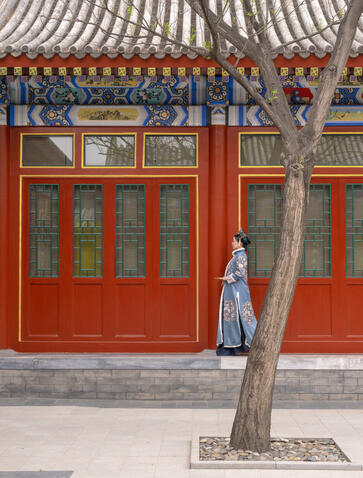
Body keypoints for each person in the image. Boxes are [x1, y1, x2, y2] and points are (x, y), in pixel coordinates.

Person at [216, 228, 257, 356]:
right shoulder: (238, 256)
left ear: (240, 243)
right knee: (235, 317)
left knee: (243, 317)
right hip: (234, 291)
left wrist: (226, 278)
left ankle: (252, 344)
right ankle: (235, 346)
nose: (232, 243)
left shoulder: (240, 257)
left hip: (237, 292)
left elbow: (240, 273)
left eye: (234, 241)